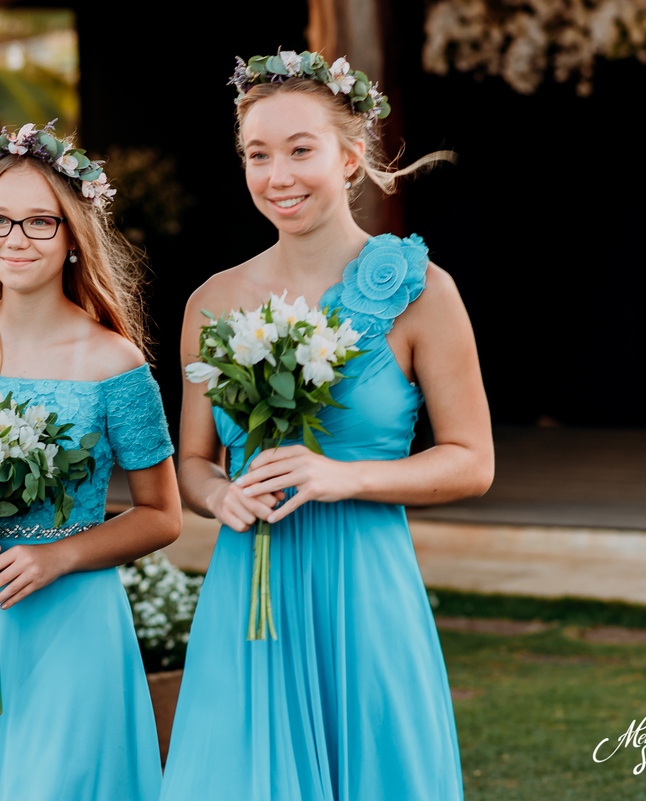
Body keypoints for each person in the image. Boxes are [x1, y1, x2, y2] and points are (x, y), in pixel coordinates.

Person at [160, 52, 493, 801]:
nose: (278, 175)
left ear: (349, 155)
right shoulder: (211, 302)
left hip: (365, 589)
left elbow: (473, 461)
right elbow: (193, 464)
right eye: (258, 155)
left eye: (300, 150)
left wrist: (344, 476)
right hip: (247, 591)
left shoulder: (423, 293)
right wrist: (220, 496)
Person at [0, 123, 180, 800]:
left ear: (73, 234)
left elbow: (163, 515)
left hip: (74, 617)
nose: (15, 239)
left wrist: (60, 555)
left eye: (40, 221)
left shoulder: (114, 362)